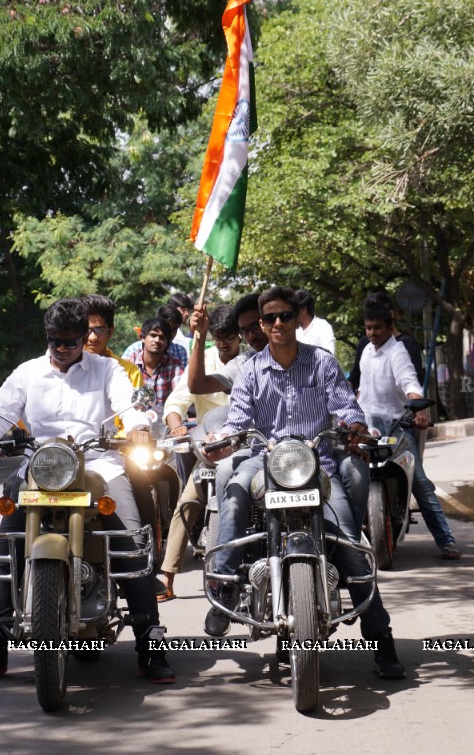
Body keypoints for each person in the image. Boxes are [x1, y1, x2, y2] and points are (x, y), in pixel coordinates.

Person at [0, 298, 174, 684]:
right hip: (42, 467)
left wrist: (139, 424)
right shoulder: (28, 372)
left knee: (129, 543)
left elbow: (128, 406)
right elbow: (1, 410)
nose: (61, 349)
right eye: (53, 341)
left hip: (98, 465)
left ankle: (151, 641)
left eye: (70, 342)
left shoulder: (107, 369)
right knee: (5, 549)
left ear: (85, 337)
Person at [203, 286, 406, 679]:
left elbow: (346, 406)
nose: (277, 324)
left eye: (285, 316)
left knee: (349, 540)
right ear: (260, 325)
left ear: (298, 318)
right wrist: (221, 441)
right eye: (269, 318)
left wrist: (354, 426)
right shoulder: (250, 371)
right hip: (266, 463)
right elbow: (239, 421)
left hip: (317, 464)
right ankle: (225, 581)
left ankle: (381, 640)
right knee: (233, 492)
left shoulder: (322, 363)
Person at [358, 304, 459, 560]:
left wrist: (419, 410)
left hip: (396, 427)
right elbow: (362, 391)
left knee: (421, 483)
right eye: (368, 328)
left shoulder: (398, 352)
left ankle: (446, 541)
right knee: (345, 476)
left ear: (389, 325)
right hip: (367, 430)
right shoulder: (366, 352)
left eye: (377, 328)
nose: (372, 333)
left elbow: (410, 383)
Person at [157, 305, 242, 600]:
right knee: (187, 502)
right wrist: (176, 424)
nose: (222, 344)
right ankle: (166, 578)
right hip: (211, 450)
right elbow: (177, 400)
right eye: (217, 338)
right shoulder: (201, 360)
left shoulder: (252, 361)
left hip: (248, 450)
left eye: (229, 338)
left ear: (240, 336)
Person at [186, 293, 268, 396]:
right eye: (245, 330)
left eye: (255, 326)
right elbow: (197, 386)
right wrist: (201, 334)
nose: (251, 336)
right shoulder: (246, 363)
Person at [349, 291, 425, 392]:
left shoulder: (408, 345)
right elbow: (355, 377)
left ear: (391, 314)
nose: (372, 332)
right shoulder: (365, 343)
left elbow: (414, 383)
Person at [127, 315, 186, 413]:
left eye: (162, 337)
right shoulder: (129, 363)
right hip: (134, 420)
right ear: (142, 337)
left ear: (167, 342)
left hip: (165, 422)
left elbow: (179, 398)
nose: (157, 340)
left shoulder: (175, 366)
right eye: (153, 335)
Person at [122, 305, 189, 366]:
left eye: (174, 329)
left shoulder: (180, 352)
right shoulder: (133, 350)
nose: (170, 333)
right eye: (167, 328)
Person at [294, 289, 336, 354]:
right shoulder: (292, 328)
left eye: (294, 310)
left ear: (303, 310)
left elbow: (329, 355)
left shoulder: (323, 327)